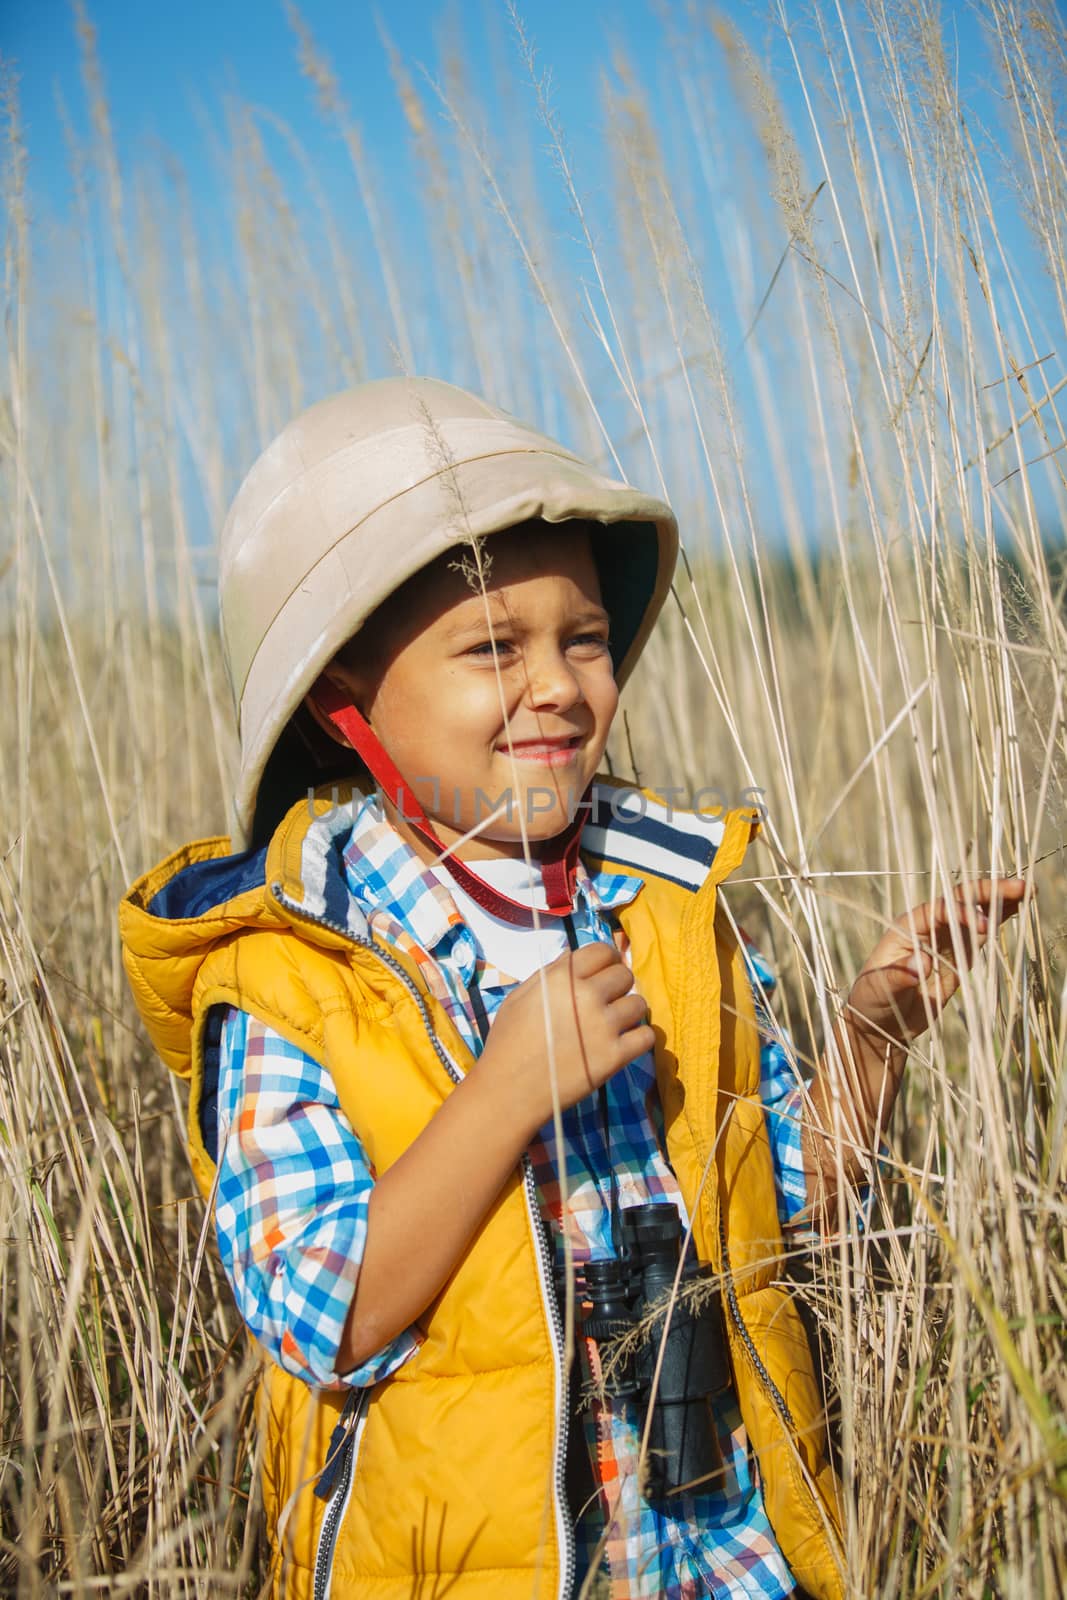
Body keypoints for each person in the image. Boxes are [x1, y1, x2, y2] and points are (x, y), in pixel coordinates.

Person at [119, 378, 1026, 1600]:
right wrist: (503, 1095)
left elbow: (782, 1204)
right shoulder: (294, 976)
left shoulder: (664, 910)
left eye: (581, 637)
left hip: (722, 1564)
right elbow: (317, 1313)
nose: (554, 682)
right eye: (492, 646)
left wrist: (868, 1043)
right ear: (342, 702)